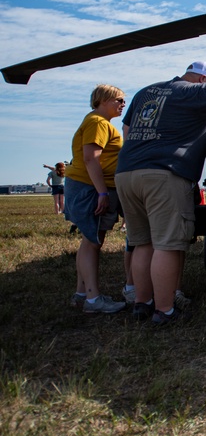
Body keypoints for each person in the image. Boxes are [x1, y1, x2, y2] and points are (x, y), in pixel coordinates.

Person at [116, 61, 206, 324]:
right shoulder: (194, 91)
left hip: (127, 173)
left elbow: (127, 131)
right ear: (203, 80)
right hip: (164, 173)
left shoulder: (147, 92)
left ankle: (142, 303)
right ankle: (164, 311)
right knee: (168, 244)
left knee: (143, 243)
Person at [64, 85, 128, 314]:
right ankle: (93, 299)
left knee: (90, 240)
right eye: (119, 100)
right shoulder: (98, 123)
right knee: (93, 241)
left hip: (87, 186)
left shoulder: (96, 121)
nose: (123, 104)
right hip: (90, 188)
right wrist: (102, 192)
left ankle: (82, 293)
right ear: (103, 99)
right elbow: (91, 159)